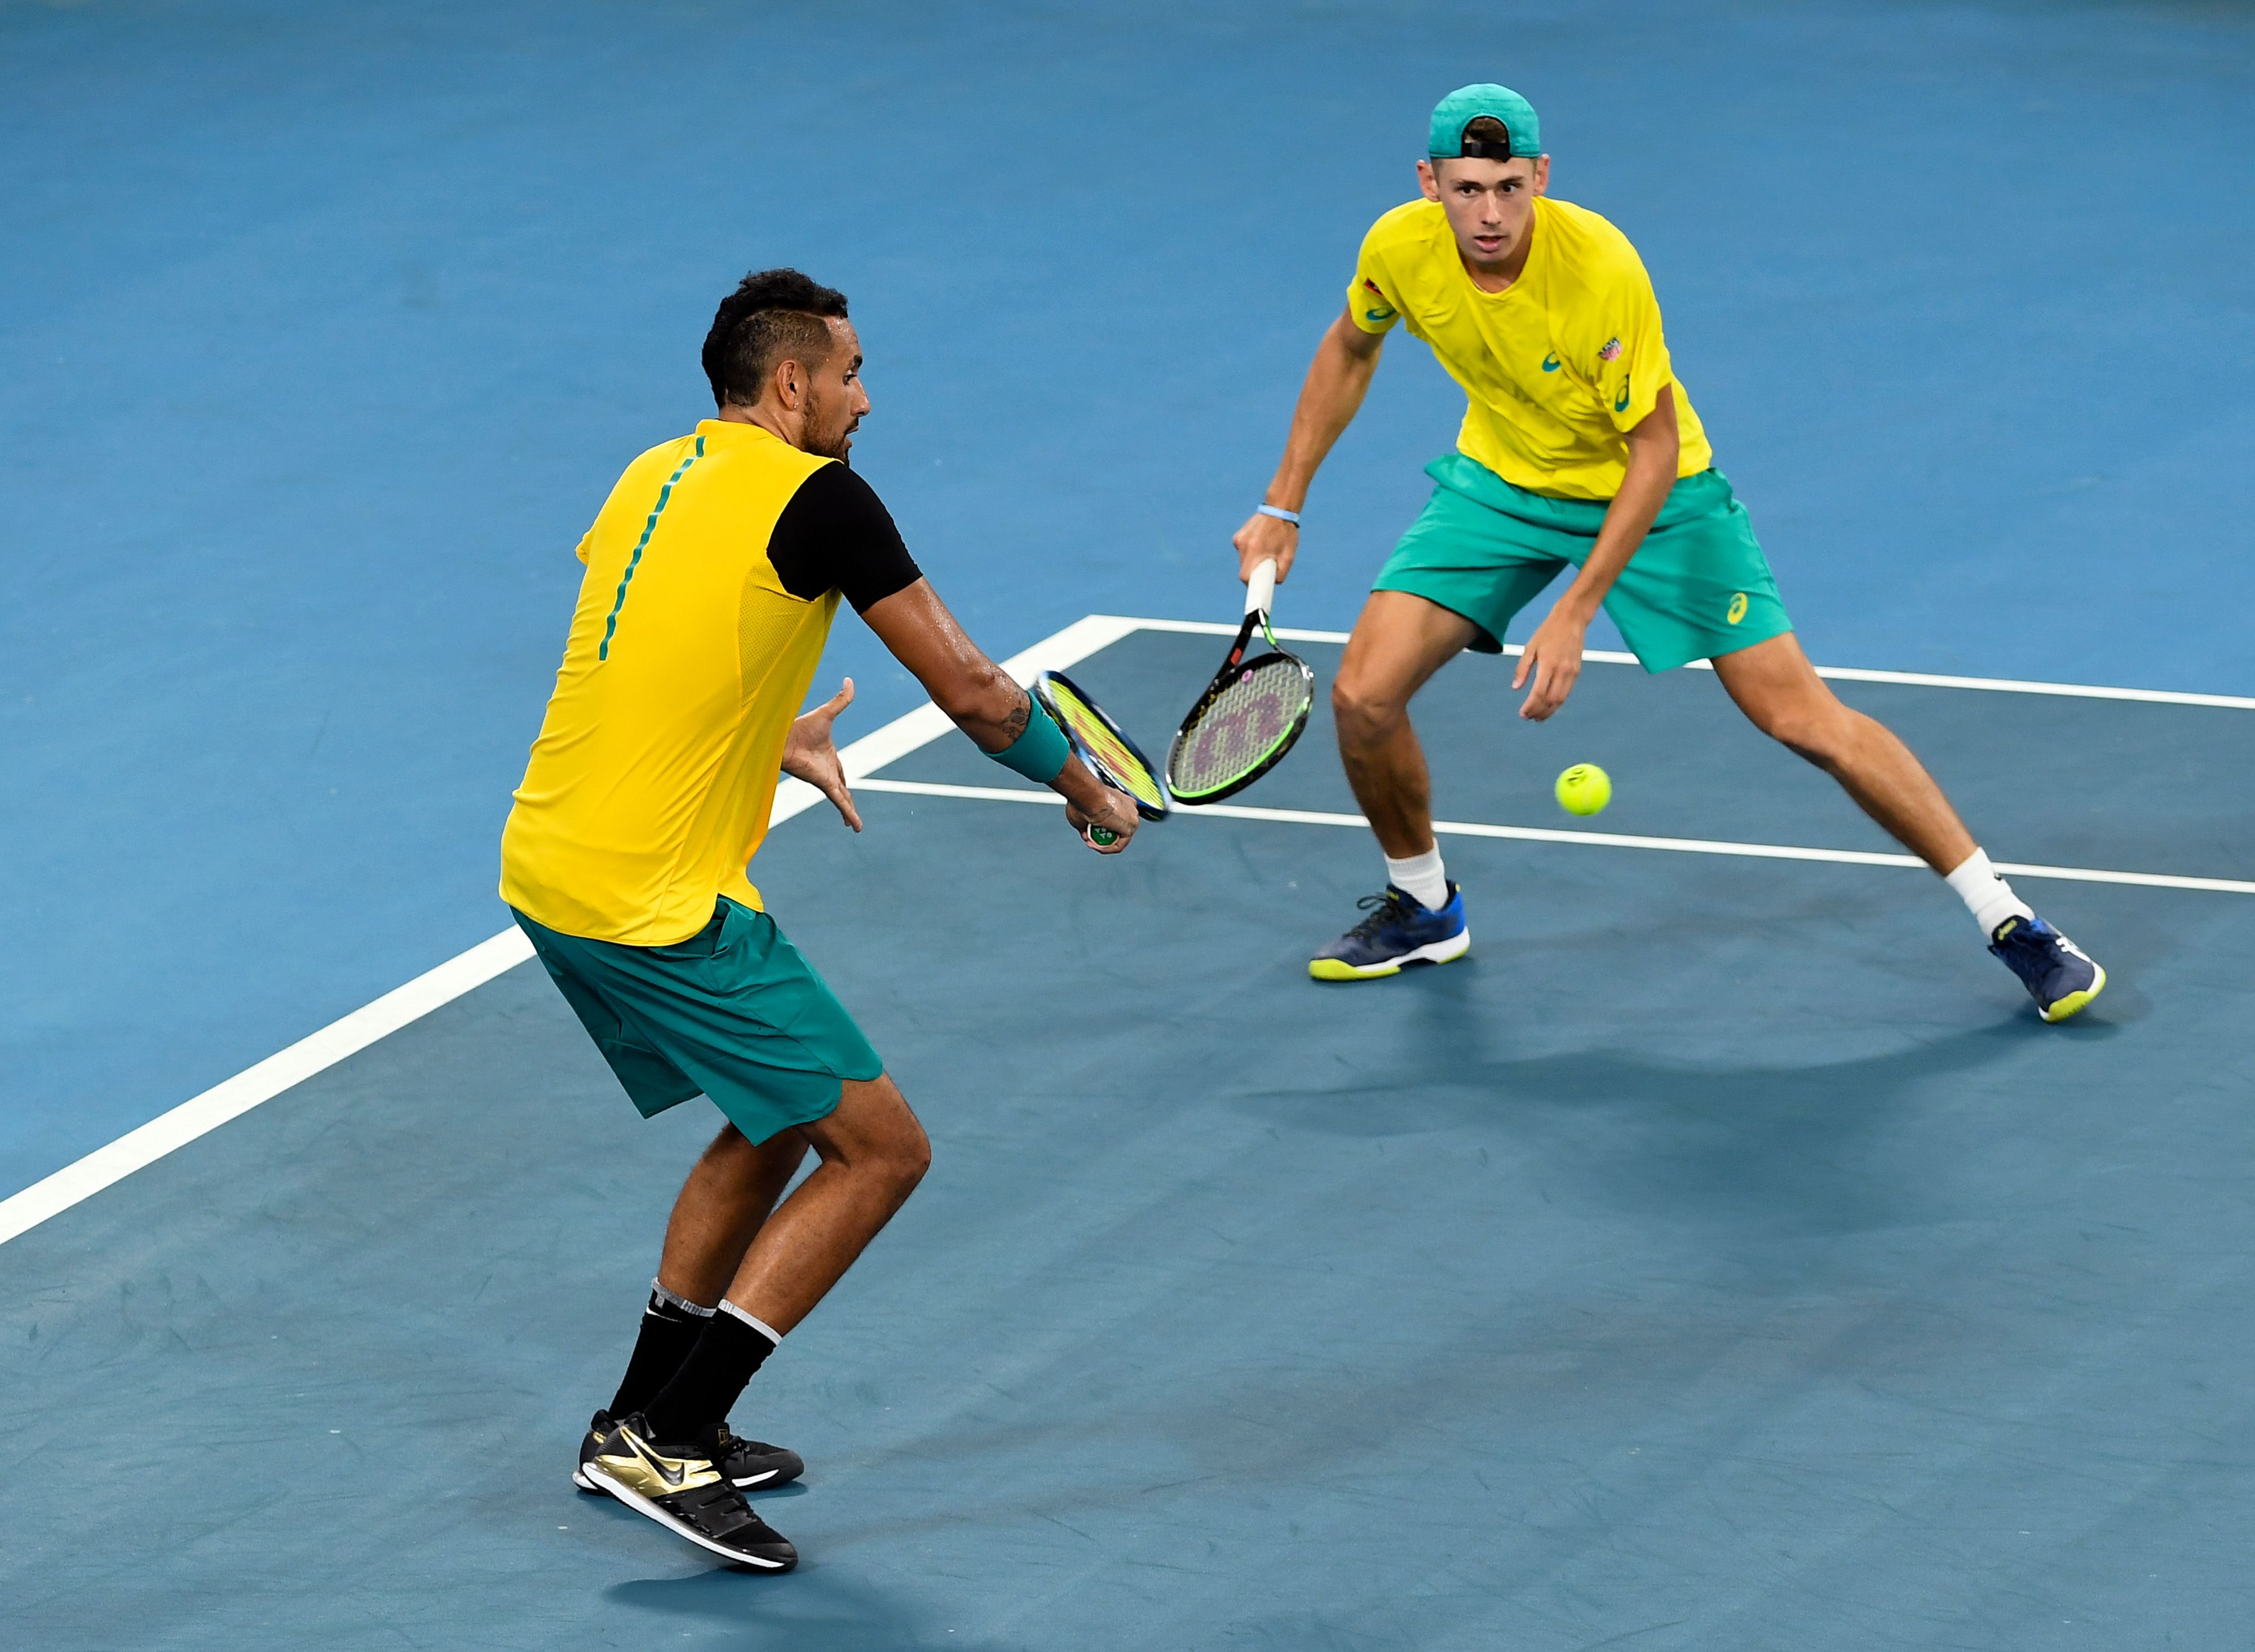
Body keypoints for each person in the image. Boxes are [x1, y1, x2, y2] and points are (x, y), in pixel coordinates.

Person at [499, 268, 1140, 1571]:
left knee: (777, 1112)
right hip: (655, 902)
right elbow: (965, 684)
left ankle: (632, 1415)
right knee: (880, 1149)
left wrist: (766, 735)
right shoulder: (821, 498)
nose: (865, 395)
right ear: (789, 384)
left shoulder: (648, 472)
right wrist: (1081, 783)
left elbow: (645, 640)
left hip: (552, 862)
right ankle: (673, 1439)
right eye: (850, 372)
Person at [1231, 85, 2104, 1023]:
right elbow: (1351, 347)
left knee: (1800, 716)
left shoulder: (1600, 268)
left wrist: (1573, 613)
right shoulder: (1397, 247)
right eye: (1468, 188)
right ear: (1428, 181)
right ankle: (1425, 905)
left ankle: (2010, 920)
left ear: (1543, 177)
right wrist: (1284, 501)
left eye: (1511, 188)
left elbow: (1649, 451)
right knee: (1364, 695)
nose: (1490, 214)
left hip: (1660, 492)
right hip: (1504, 484)